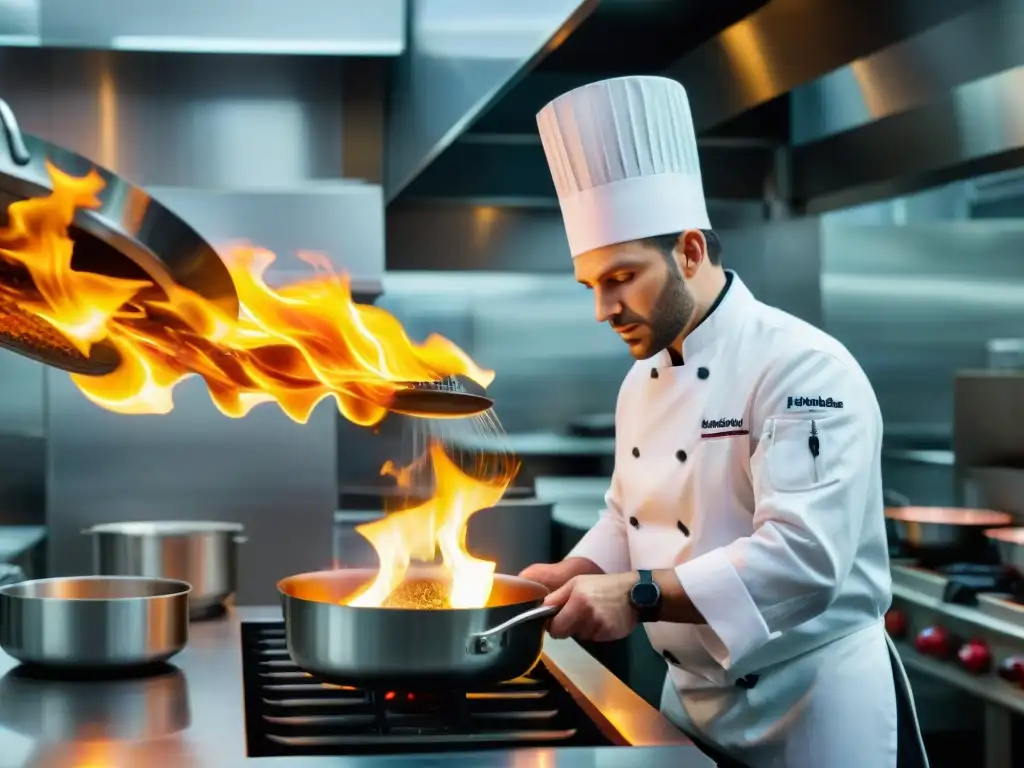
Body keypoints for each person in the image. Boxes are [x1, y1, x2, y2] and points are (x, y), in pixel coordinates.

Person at [519, 75, 928, 768]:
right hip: (695, 708)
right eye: (591, 286)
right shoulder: (639, 380)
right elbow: (628, 516)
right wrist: (574, 570)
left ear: (689, 251)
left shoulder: (802, 369)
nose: (603, 309)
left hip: (815, 713)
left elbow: (803, 560)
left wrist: (636, 594)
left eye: (621, 277)